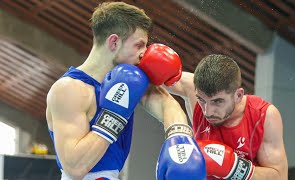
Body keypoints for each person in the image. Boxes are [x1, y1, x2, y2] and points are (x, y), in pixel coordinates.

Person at [46, 2, 205, 180]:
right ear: (114, 41)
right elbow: (75, 167)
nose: (144, 53)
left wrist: (179, 138)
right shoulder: (69, 90)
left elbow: (166, 105)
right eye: (139, 45)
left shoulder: (133, 79)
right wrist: (113, 116)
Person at [166, 54, 288, 179]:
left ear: (238, 95)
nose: (208, 112)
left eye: (217, 101)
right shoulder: (192, 88)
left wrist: (234, 167)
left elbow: (280, 176)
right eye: (201, 100)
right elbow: (154, 75)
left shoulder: (263, 116)